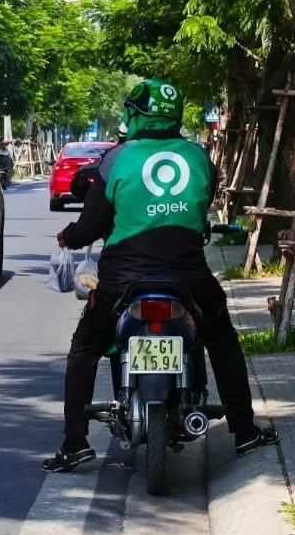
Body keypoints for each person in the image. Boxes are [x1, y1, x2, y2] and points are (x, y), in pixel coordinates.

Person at [43, 78, 275, 472]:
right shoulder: (200, 157)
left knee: (84, 350)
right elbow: (201, 213)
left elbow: (91, 225)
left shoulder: (116, 159)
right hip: (189, 278)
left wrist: (69, 236)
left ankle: (74, 442)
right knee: (221, 339)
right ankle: (245, 430)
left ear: (134, 116)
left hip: (122, 280)